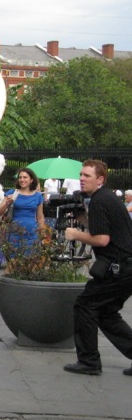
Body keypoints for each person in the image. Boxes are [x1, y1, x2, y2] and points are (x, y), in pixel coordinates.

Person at [62, 160, 132, 376]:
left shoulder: (100, 200)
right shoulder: (106, 198)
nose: (82, 179)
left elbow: (102, 240)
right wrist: (84, 220)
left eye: (87, 176)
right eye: (81, 175)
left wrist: (74, 234)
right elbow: (104, 231)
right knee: (106, 313)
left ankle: (89, 361)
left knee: (85, 305)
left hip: (117, 268)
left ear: (100, 179)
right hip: (124, 267)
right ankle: (90, 360)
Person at [0, 167, 45, 250]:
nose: (22, 180)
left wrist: (42, 235)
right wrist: (7, 203)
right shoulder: (12, 193)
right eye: (20, 177)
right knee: (13, 260)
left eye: (25, 177)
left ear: (31, 180)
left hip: (32, 233)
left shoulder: (38, 196)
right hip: (14, 232)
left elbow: (40, 217)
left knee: (30, 260)